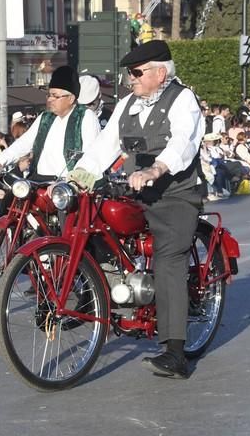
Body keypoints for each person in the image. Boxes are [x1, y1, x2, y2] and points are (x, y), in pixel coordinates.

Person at [69, 40, 205, 379]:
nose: (130, 79)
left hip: (175, 193)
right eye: (128, 73)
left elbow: (183, 143)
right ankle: (100, 295)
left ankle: (175, 353)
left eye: (136, 72)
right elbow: (104, 146)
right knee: (90, 224)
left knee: (168, 258)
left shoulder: (183, 99)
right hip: (134, 192)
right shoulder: (128, 104)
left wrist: (156, 169)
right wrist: (77, 178)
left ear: (160, 73)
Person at [0, 66, 100, 178]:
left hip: (68, 186)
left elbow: (91, 154)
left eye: (55, 96)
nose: (50, 99)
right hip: (39, 182)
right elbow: (23, 143)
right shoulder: (45, 117)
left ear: (71, 98)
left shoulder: (85, 117)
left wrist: (76, 179)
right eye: (49, 95)